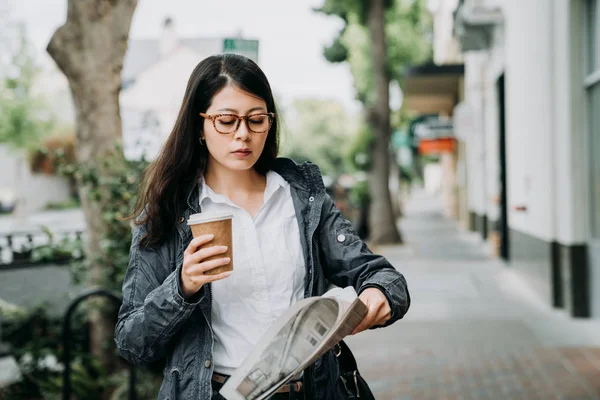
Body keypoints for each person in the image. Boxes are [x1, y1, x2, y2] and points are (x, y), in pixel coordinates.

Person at [114, 53, 410, 400]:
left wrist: (378, 294)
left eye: (256, 120)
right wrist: (182, 287)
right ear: (199, 125)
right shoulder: (167, 214)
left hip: (311, 391)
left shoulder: (302, 199)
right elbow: (131, 343)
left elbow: (383, 276)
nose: (243, 134)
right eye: (226, 121)